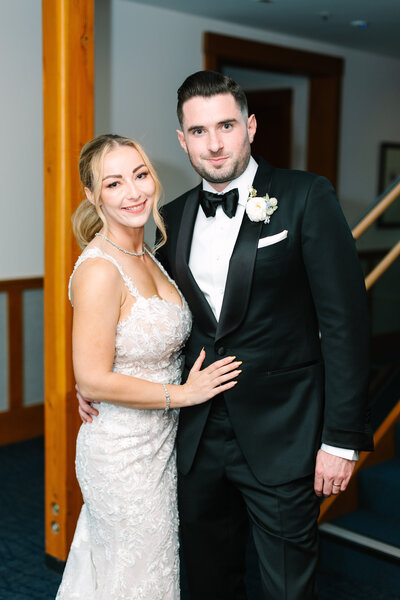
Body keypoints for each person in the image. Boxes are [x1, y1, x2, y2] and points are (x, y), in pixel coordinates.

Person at [79, 72, 372, 599]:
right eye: (198, 131)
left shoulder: (306, 197)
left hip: (285, 435)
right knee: (210, 582)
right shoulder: (167, 221)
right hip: (191, 442)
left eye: (226, 126)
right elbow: (134, 314)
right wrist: (95, 381)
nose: (213, 143)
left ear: (250, 127)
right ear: (182, 139)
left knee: (288, 586)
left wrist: (341, 439)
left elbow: (347, 323)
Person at [56, 133, 241, 600]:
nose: (134, 192)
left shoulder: (152, 255)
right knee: (135, 577)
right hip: (120, 454)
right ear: (93, 195)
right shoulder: (100, 269)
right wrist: (183, 394)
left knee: (146, 573)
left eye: (139, 176)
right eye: (114, 183)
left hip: (161, 444)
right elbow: (92, 378)